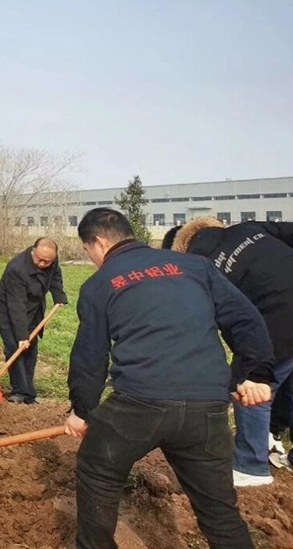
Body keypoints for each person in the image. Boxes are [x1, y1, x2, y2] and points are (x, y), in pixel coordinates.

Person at [65, 208, 274, 549]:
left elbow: (90, 357)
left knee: (97, 468)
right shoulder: (195, 266)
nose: (91, 260)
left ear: (98, 242)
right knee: (220, 513)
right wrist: (249, 374)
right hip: (207, 408)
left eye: (89, 252)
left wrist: (82, 410)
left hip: (139, 404)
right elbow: (247, 321)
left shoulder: (99, 284)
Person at [172, 216, 293, 486]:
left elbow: (205, 319)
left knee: (249, 386)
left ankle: (251, 466)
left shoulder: (198, 265)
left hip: (277, 319)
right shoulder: (251, 228)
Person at [0, 237, 68, 404]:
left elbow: (55, 276)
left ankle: (28, 392)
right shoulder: (16, 269)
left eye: (47, 262)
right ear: (33, 251)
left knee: (30, 348)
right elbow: (16, 305)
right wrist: (21, 336)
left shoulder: (50, 260)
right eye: (39, 259)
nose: (42, 264)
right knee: (14, 347)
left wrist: (59, 295)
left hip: (33, 306)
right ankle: (19, 391)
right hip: (7, 309)